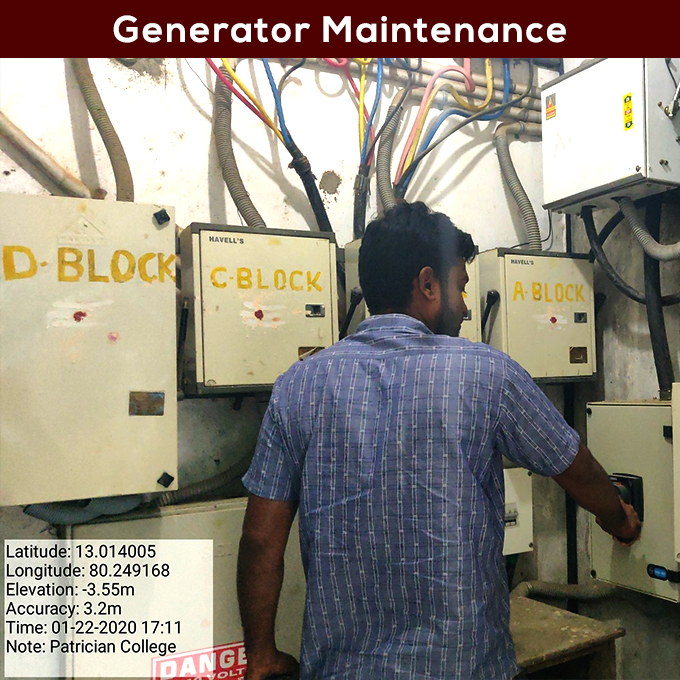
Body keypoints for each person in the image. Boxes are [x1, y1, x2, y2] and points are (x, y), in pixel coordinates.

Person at [237, 201, 641, 680]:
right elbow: (575, 468)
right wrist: (619, 519)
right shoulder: (487, 373)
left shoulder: (298, 386)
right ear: (427, 285)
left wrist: (261, 657)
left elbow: (260, 540)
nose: (467, 306)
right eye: (460, 287)